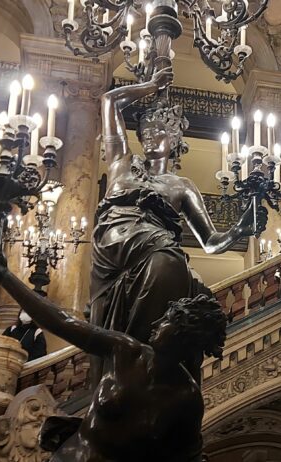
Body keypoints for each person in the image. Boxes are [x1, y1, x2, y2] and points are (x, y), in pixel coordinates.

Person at [86, 67, 257, 382]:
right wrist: (150, 85)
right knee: (163, 264)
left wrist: (239, 230)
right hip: (111, 248)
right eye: (146, 129)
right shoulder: (121, 159)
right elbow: (109, 100)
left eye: (160, 129)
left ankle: (140, 360)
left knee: (170, 263)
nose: (150, 135)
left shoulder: (182, 186)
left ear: (175, 137)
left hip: (153, 249)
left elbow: (210, 241)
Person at [0, 243, 228, 462]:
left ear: (183, 335)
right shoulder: (126, 350)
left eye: (167, 321)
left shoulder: (186, 398)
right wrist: (6, 276)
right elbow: (62, 322)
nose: (156, 324)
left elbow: (186, 456)